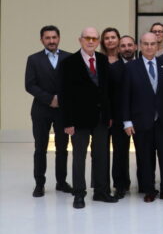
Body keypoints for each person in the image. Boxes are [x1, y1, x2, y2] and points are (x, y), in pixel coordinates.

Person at [59, 27, 115, 209]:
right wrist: (67, 122)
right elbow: (64, 95)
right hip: (78, 120)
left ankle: (100, 191)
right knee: (79, 157)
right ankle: (79, 194)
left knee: (101, 156)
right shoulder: (69, 62)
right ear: (80, 40)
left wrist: (109, 116)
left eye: (94, 38)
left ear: (98, 41)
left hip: (100, 119)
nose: (91, 41)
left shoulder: (102, 60)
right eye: (87, 38)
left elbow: (107, 91)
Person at [121, 33, 163, 203]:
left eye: (152, 44)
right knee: (144, 158)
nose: (149, 47)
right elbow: (125, 96)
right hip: (141, 121)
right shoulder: (131, 67)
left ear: (158, 46)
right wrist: (127, 121)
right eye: (145, 44)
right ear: (139, 46)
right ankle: (149, 190)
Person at [25, 25, 72, 197]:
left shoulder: (69, 58)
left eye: (54, 37)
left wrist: (60, 98)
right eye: (47, 38)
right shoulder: (33, 59)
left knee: (62, 147)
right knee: (40, 148)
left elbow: (73, 83)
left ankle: (61, 182)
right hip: (41, 110)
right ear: (42, 40)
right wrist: (49, 99)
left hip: (62, 110)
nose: (51, 41)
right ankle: (39, 183)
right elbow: (29, 84)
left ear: (59, 38)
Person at [105, 31, 132, 199]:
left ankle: (121, 184)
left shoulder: (128, 65)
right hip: (107, 114)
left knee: (121, 151)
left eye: (113, 37)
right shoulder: (102, 62)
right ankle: (104, 184)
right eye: (107, 38)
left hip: (124, 115)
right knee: (102, 152)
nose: (126, 48)